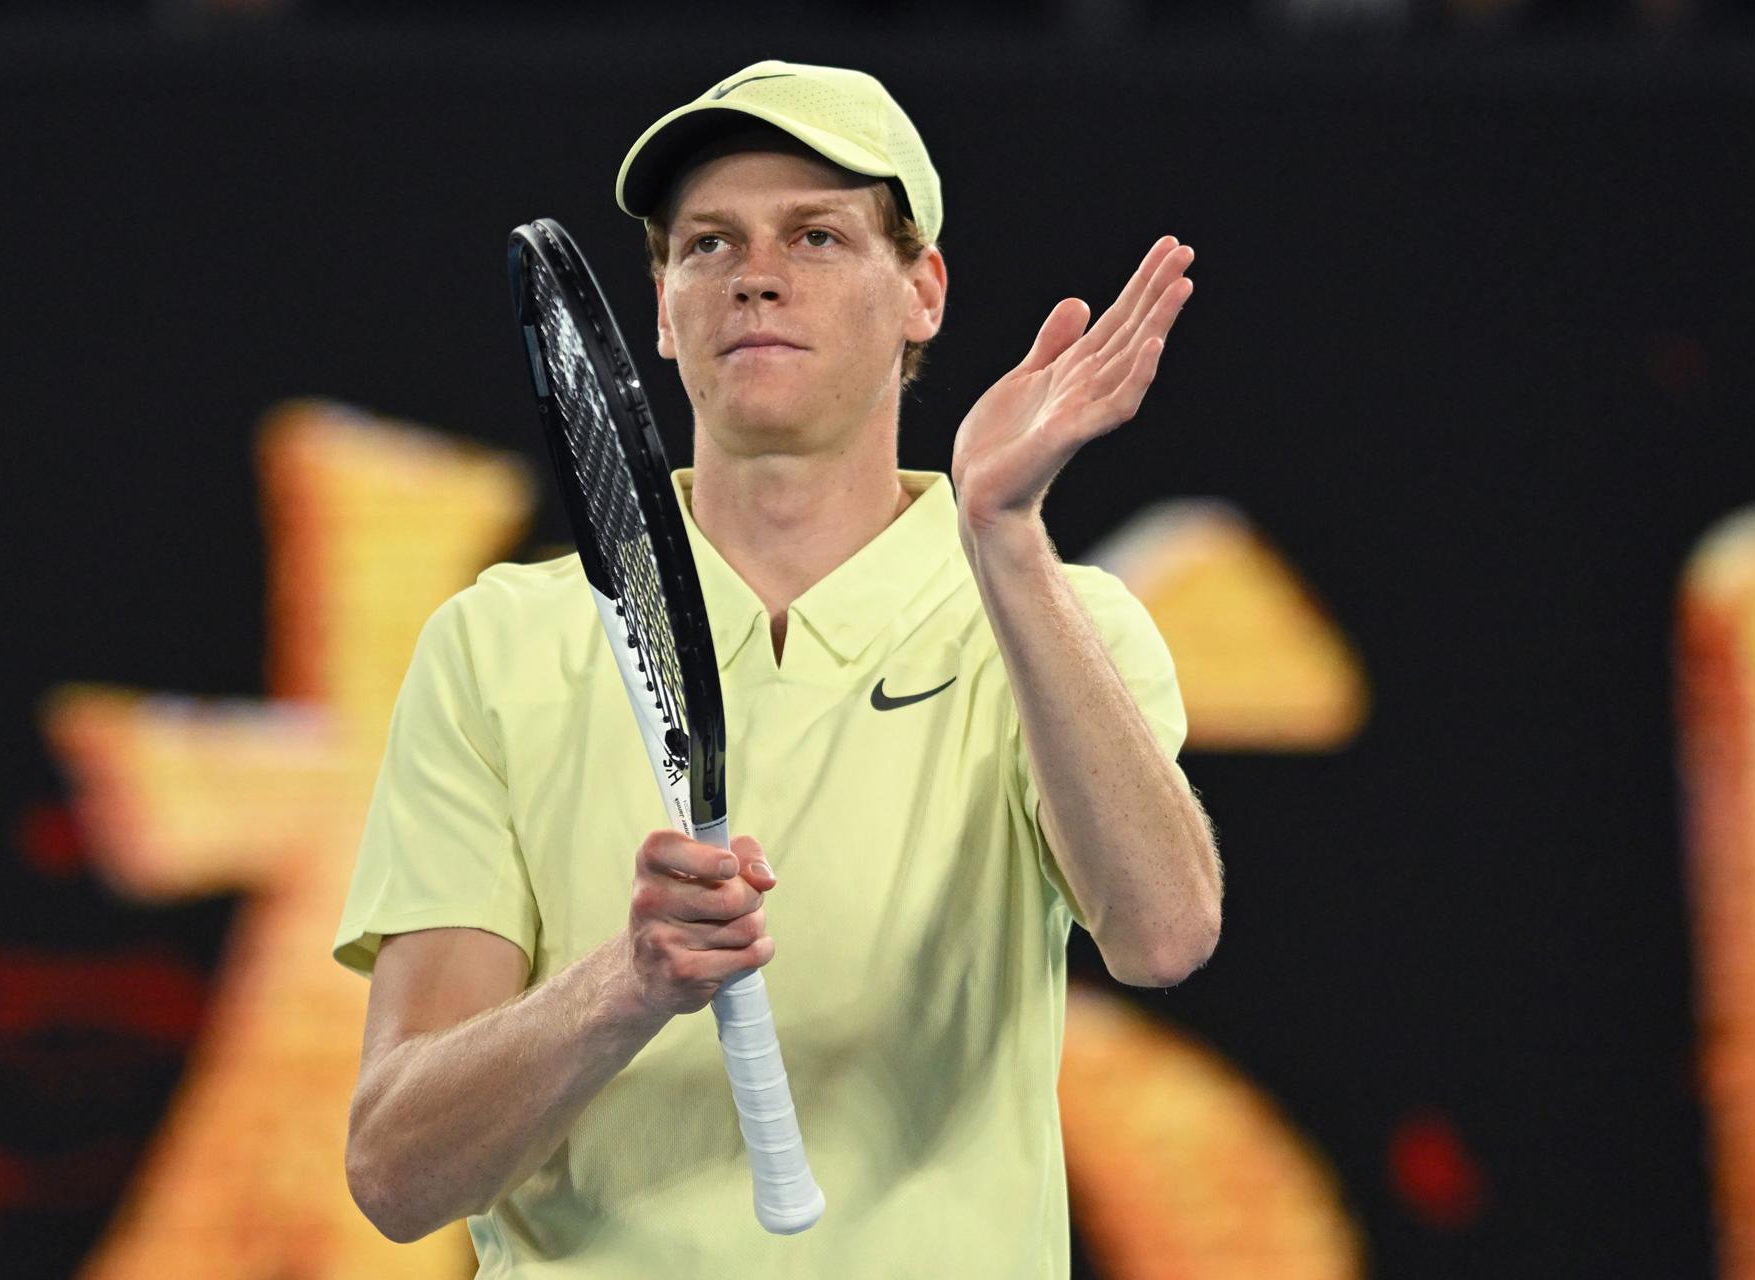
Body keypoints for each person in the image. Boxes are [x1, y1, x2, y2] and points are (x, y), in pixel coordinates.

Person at [333, 59, 1222, 1277]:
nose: (754, 273)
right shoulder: (497, 643)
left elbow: (1165, 932)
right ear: (659, 304)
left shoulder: (1066, 625)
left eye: (816, 234)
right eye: (706, 244)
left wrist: (1004, 534)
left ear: (922, 289)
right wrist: (625, 985)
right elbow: (396, 1168)